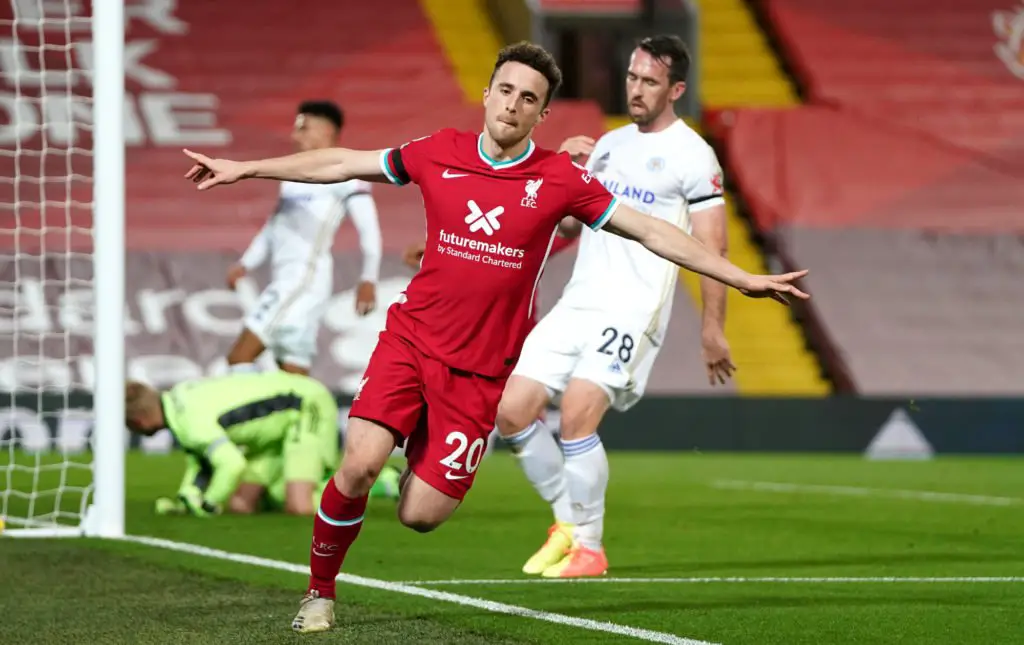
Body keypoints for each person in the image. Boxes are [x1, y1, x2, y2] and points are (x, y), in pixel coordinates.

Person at [180, 41, 808, 634]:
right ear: (486, 94)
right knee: (359, 465)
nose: (512, 105)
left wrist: (740, 278)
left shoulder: (560, 180)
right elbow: (342, 162)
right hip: (412, 342)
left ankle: (420, 446)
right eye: (504, 90)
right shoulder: (438, 151)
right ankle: (319, 592)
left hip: (480, 373)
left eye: (528, 98)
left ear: (541, 113)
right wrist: (246, 168)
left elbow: (651, 230)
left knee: (420, 516)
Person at [498, 35, 737, 579]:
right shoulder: (606, 145)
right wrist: (560, 171)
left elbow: (713, 249)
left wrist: (713, 327)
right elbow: (566, 227)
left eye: (650, 81)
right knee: (511, 410)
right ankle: (567, 522)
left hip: (632, 309)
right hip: (579, 302)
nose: (636, 89)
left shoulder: (693, 156)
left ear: (675, 90)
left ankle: (591, 547)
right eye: (632, 77)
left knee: (578, 412)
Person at [225, 100, 383, 376]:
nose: (294, 135)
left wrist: (368, 278)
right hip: (290, 278)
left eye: (303, 128)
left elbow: (369, 228)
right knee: (293, 370)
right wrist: (247, 262)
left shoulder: (347, 174)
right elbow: (276, 225)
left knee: (239, 358)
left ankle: (247, 406)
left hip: (301, 280)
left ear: (326, 132)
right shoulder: (292, 175)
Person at [124, 371, 400, 517]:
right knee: (241, 505)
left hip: (305, 406)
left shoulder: (188, 422)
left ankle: (382, 482)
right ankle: (295, 485)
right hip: (272, 433)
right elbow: (203, 461)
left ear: (138, 420)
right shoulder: (178, 399)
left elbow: (231, 463)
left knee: (300, 506)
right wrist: (188, 498)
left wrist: (209, 503)